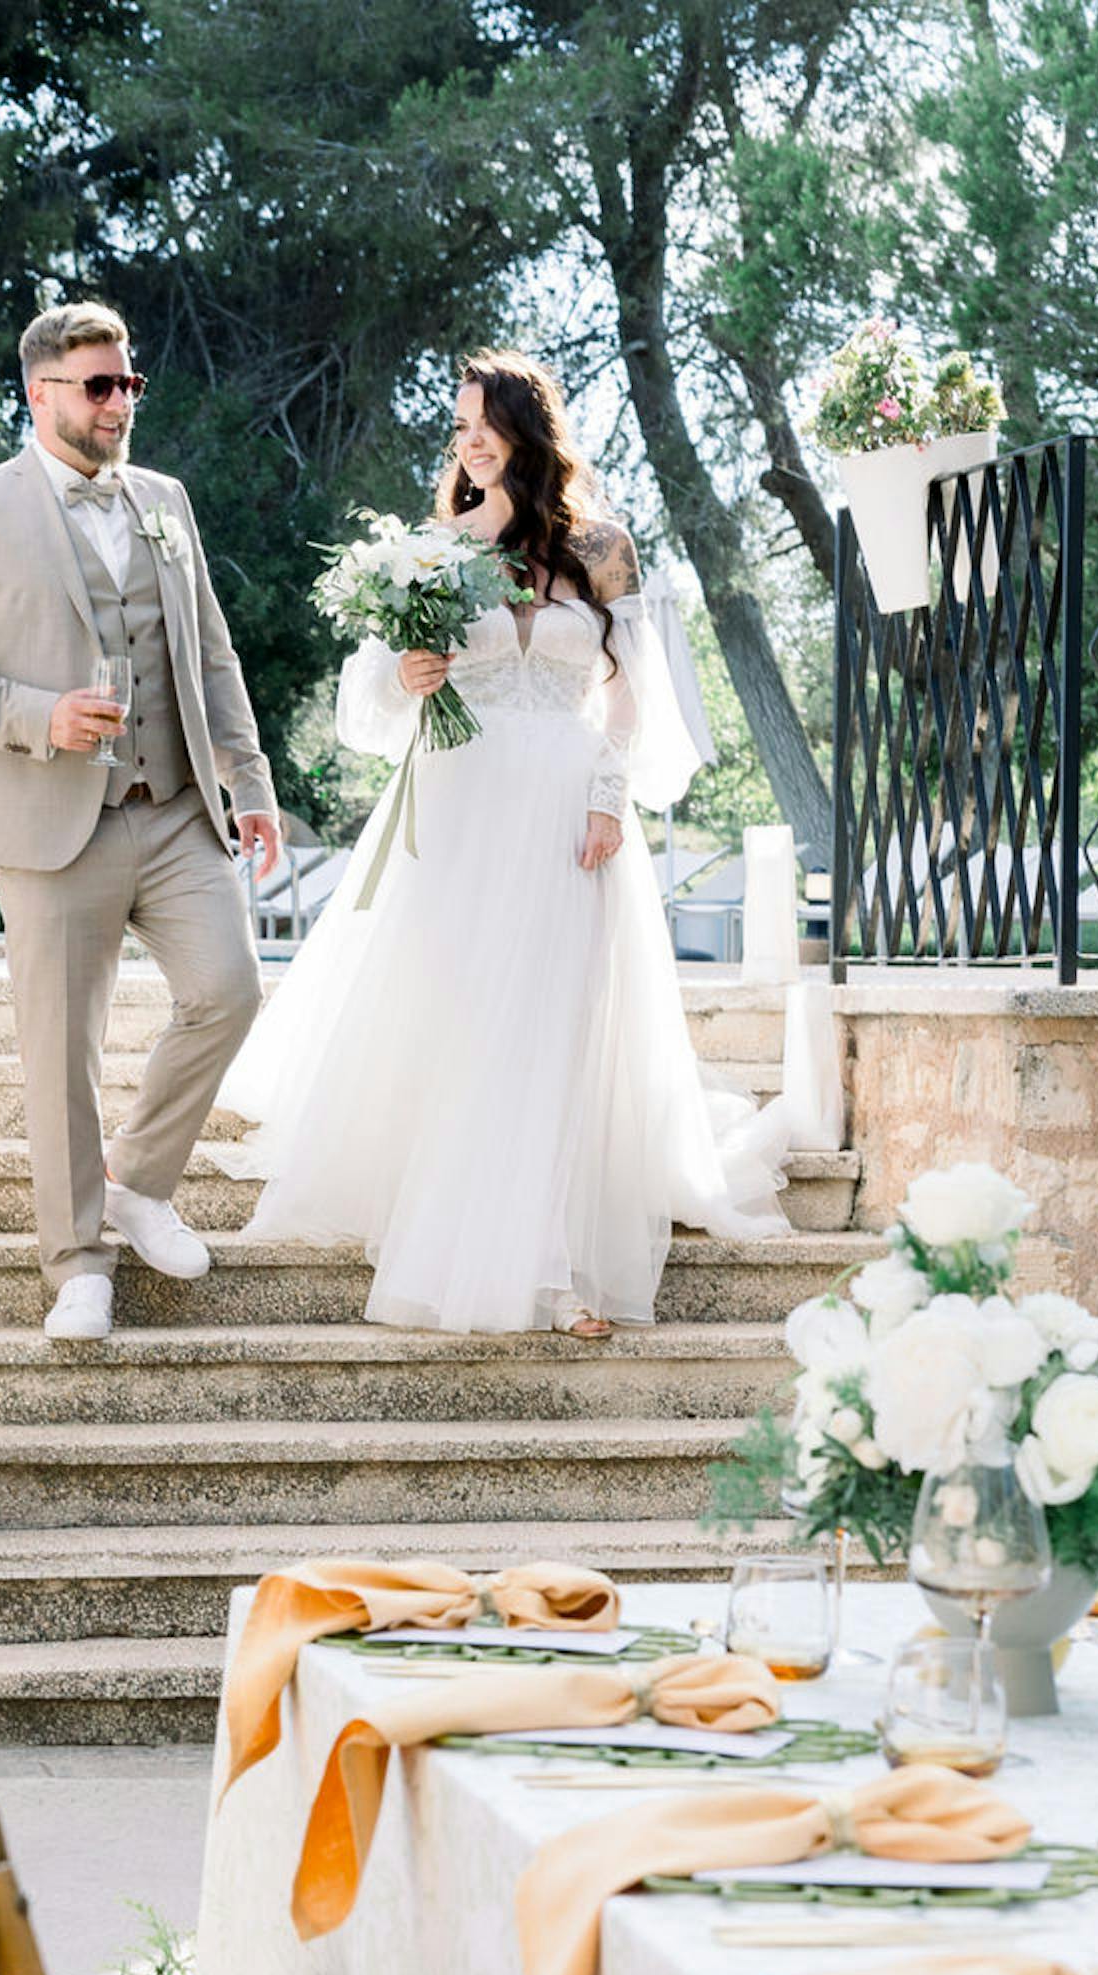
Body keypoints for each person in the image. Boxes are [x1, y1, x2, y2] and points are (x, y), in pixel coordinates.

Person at [225, 350, 788, 1336]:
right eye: (459, 427)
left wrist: (611, 800)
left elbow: (632, 692)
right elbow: (366, 699)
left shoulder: (604, 546)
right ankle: (485, 1241)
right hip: (460, 807)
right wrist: (408, 676)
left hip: (569, 809)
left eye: (483, 422)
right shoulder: (436, 548)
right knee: (466, 1015)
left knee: (554, 1024)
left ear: (528, 430)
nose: (469, 442)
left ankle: (556, 1260)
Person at [0, 300, 287, 1342]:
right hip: (47, 814)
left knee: (230, 990)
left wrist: (247, 779)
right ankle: (75, 1262)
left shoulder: (166, 500)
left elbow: (211, 653)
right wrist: (38, 717)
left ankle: (138, 1181)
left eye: (129, 384)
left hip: (174, 807)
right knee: (60, 1049)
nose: (121, 403)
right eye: (99, 385)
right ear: (40, 392)